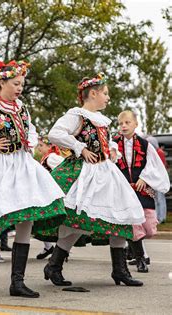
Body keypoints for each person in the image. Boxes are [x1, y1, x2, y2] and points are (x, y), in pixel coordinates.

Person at [0, 60, 66, 298]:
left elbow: (32, 129)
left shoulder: (21, 107)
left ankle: (17, 282)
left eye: (22, 84)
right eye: (15, 83)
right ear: (1, 82)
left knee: (25, 219)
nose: (19, 88)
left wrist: (31, 142)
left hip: (23, 165)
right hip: (0, 168)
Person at [44, 73, 144, 287]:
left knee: (120, 217)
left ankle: (120, 270)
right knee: (77, 223)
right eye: (105, 93)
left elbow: (106, 142)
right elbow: (55, 133)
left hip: (106, 173)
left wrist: (114, 150)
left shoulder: (102, 120)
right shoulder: (77, 115)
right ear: (93, 94)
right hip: (86, 174)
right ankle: (54, 265)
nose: (108, 98)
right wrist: (80, 148)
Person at [114, 111, 170, 272]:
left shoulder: (145, 145)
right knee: (134, 225)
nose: (124, 126)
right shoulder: (114, 143)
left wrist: (145, 178)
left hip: (142, 190)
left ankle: (131, 247)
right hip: (125, 192)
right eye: (121, 123)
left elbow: (154, 165)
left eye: (127, 122)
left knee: (150, 228)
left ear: (135, 124)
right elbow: (109, 164)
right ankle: (140, 259)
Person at [35, 135, 65, 260]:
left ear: (49, 146)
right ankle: (49, 247)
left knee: (47, 221)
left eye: (41, 145)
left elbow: (65, 167)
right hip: (45, 193)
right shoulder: (45, 158)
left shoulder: (52, 157)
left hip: (51, 194)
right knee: (41, 220)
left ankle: (59, 250)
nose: (39, 148)